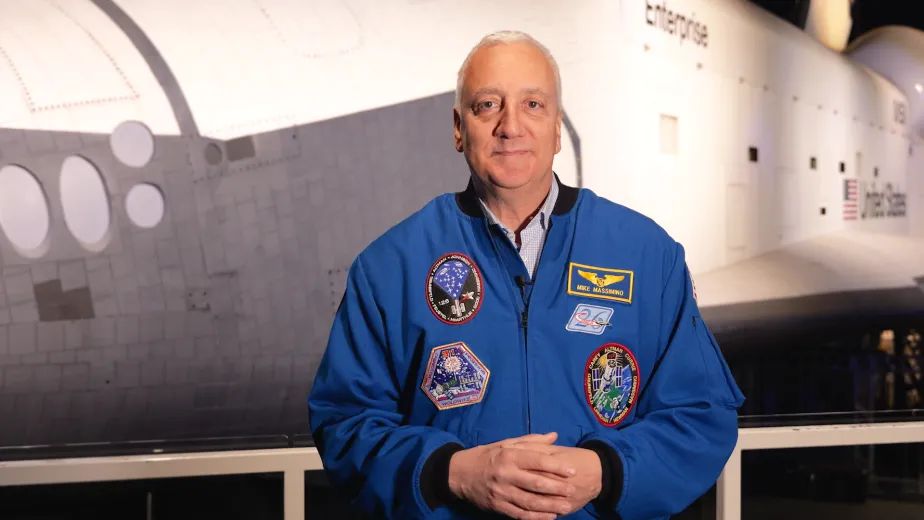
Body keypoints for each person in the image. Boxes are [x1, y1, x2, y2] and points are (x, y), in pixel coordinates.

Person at [307, 30, 745, 520]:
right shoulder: (392, 266)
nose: (510, 126)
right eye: (487, 105)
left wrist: (608, 470)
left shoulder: (646, 255)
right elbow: (344, 422)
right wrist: (452, 473)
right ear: (458, 128)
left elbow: (702, 415)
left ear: (558, 128)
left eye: (533, 104)